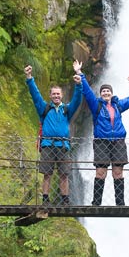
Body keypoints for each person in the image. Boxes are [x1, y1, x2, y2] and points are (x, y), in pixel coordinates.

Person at [78, 60, 129, 205]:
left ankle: (120, 202)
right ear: (101, 94)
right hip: (101, 142)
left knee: (118, 172)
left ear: (112, 94)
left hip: (118, 141)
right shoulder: (96, 105)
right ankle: (96, 202)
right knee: (100, 172)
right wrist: (81, 74)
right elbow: (87, 92)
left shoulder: (118, 105)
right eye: (103, 91)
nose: (106, 93)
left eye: (108, 91)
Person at [26, 64, 82, 205]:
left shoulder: (67, 110)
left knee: (64, 174)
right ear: (50, 96)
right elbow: (35, 95)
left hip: (63, 146)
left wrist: (79, 84)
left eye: (58, 94)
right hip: (48, 145)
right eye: (54, 94)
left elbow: (77, 100)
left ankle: (65, 200)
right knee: (47, 174)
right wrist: (29, 78)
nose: (56, 96)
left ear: (62, 95)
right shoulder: (44, 108)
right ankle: (45, 199)